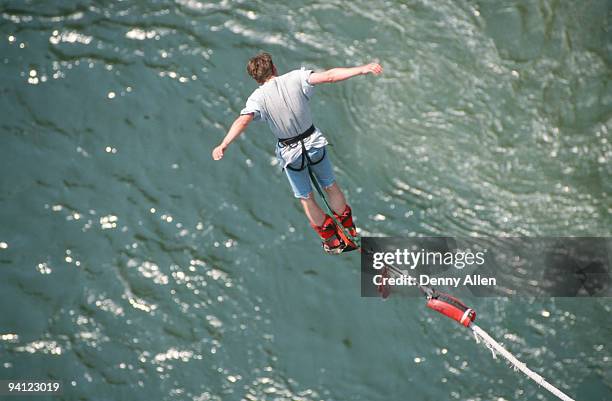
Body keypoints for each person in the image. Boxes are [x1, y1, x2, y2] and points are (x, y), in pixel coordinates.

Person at [212, 52, 383, 253]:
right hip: (314, 144)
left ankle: (333, 240)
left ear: (256, 79)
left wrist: (223, 144)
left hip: (292, 154)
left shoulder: (256, 99)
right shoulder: (296, 77)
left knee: (306, 197)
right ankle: (348, 227)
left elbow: (242, 120)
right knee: (329, 185)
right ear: (274, 68)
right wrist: (362, 69)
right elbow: (329, 76)